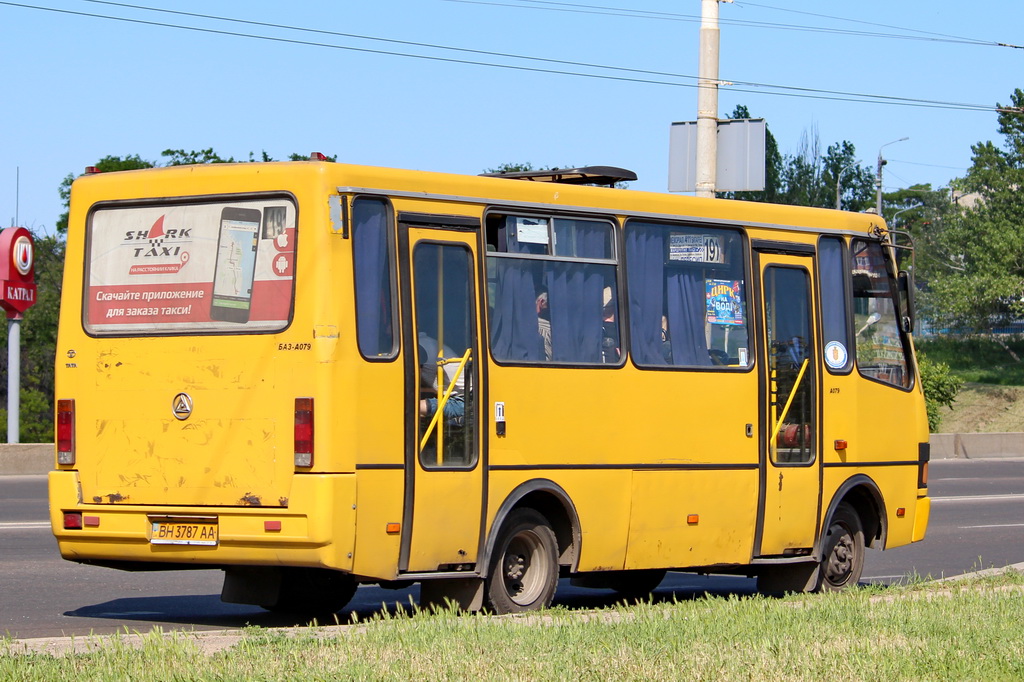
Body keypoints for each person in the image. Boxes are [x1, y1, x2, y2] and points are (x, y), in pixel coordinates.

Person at [418, 331, 466, 426]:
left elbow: (409, 382)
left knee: (409, 407)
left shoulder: (418, 349)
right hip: (457, 395)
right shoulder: (424, 342)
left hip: (464, 402)